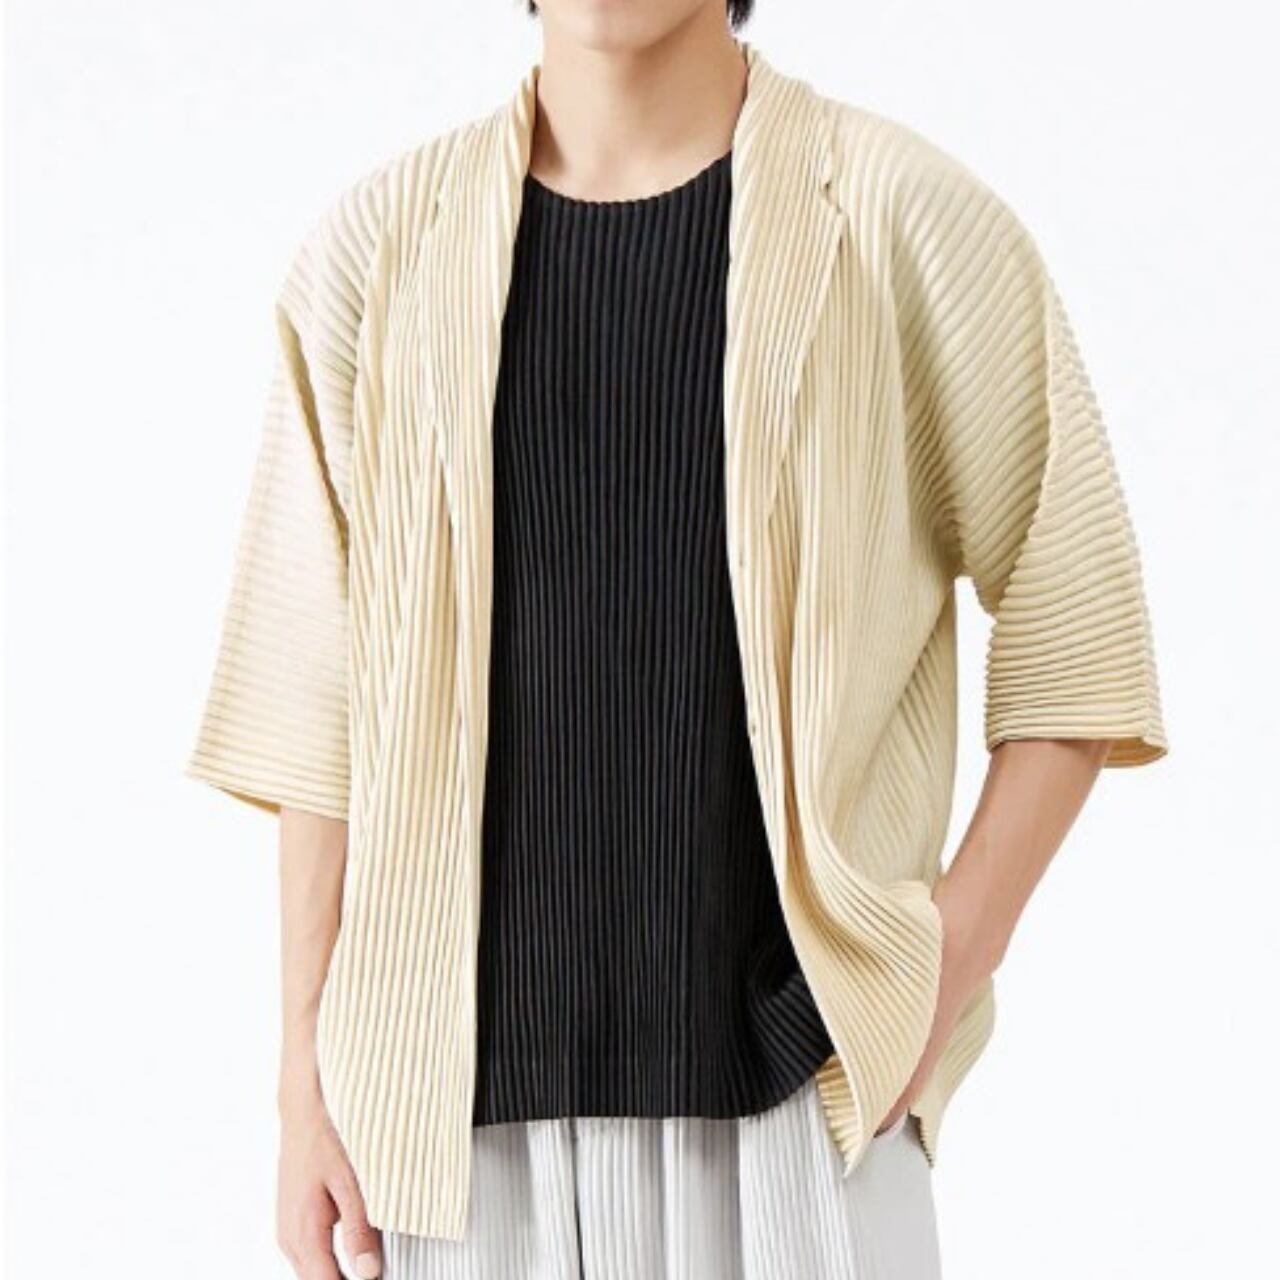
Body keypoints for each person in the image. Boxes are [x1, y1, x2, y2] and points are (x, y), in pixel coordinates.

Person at [185, 3, 1169, 1277]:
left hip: (797, 1096)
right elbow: (310, 702)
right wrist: (302, 1082)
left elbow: (1076, 611)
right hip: (444, 1124)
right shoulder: (374, 253)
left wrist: (942, 962)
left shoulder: (899, 215)